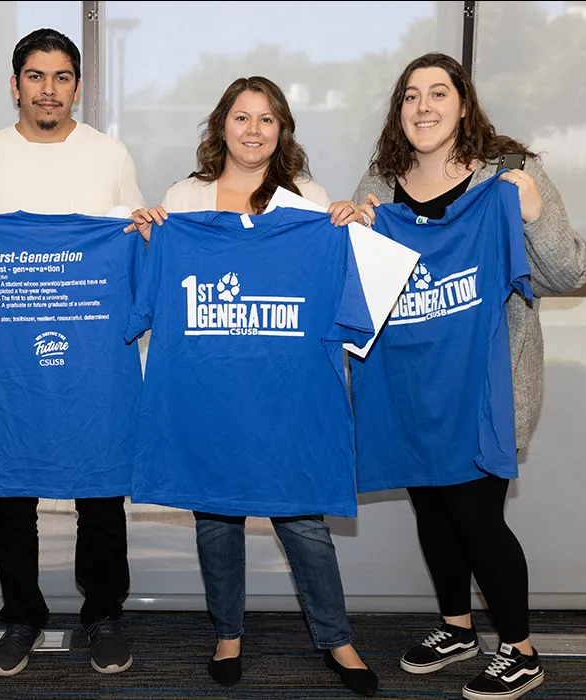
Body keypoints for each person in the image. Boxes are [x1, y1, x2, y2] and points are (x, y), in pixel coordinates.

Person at [347, 52, 586, 700]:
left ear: (463, 103)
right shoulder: (381, 182)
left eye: (437, 93)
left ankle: (521, 648)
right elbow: (353, 284)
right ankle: (457, 626)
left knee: (474, 513)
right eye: (410, 96)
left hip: (486, 383)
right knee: (431, 503)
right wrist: (351, 229)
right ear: (398, 111)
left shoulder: (510, 173)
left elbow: (570, 274)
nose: (423, 107)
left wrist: (534, 211)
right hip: (409, 383)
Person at [132, 76, 377, 696]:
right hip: (209, 392)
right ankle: (228, 632)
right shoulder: (184, 199)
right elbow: (151, 282)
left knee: (303, 521)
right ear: (221, 126)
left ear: (281, 130)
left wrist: (348, 223)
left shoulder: (307, 200)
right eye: (241, 118)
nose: (252, 130)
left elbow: (344, 288)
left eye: (266, 120)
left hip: (285, 394)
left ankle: (337, 636)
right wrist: (148, 233)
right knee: (216, 516)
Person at [0, 27, 146, 678]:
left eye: (61, 77)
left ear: (77, 87)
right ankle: (22, 617)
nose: (48, 89)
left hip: (92, 363)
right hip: (10, 369)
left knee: (102, 494)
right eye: (36, 76)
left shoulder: (111, 156)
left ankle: (103, 616)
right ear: (15, 84)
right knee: (9, 494)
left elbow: (133, 251)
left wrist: (143, 232)